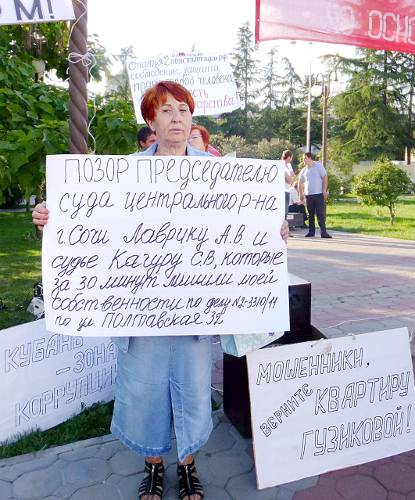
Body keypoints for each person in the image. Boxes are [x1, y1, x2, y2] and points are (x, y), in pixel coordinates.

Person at [32, 80, 289, 500]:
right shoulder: (121, 174)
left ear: (192, 119)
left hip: (192, 311)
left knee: (192, 388)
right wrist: (51, 217)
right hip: (141, 311)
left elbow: (242, 228)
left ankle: (187, 465)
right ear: (151, 118)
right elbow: (93, 225)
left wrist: (270, 228)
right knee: (145, 390)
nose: (177, 118)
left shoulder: (218, 175)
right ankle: (152, 466)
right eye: (167, 110)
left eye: (184, 110)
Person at [298, 152, 332, 238]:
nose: (303, 160)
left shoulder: (318, 166)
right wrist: (301, 195)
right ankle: (311, 232)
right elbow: (299, 182)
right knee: (310, 215)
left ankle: (323, 232)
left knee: (320, 214)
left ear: (310, 158)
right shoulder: (304, 170)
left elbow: (325, 177)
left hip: (319, 194)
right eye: (303, 159)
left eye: (305, 158)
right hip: (308, 195)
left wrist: (324, 190)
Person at [282, 150, 294, 218]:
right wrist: (290, 178)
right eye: (291, 157)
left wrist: (290, 178)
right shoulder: (281, 165)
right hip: (283, 190)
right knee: (284, 210)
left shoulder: (289, 165)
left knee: (286, 210)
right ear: (289, 157)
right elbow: (289, 180)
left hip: (288, 189)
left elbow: (293, 176)